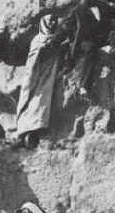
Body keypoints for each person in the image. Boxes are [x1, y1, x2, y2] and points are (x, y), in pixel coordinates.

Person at [15, 14, 72, 149]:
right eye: (49, 20)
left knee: (42, 102)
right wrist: (49, 46)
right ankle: (24, 132)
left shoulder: (57, 38)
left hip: (48, 76)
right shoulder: (38, 39)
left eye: (54, 20)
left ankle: (35, 133)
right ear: (43, 23)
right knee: (30, 100)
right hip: (36, 76)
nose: (52, 23)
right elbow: (35, 57)